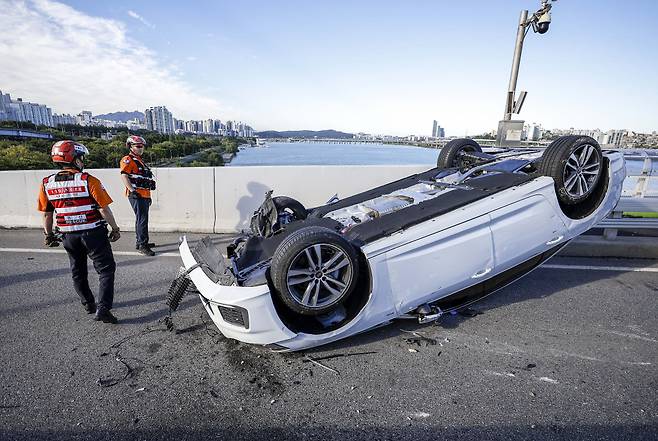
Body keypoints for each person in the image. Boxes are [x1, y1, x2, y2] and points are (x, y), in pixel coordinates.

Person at [38, 140, 121, 324]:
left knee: (78, 271)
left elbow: (47, 213)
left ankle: (88, 304)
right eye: (81, 158)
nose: (83, 162)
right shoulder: (88, 180)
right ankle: (104, 308)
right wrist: (115, 229)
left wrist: (48, 234)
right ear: (74, 159)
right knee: (106, 270)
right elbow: (103, 209)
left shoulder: (47, 183)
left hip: (68, 236)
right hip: (93, 233)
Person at [120, 135, 157, 256]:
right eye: (138, 146)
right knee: (142, 220)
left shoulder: (139, 160)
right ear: (130, 147)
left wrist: (148, 196)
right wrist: (132, 190)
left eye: (142, 147)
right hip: (137, 195)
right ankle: (142, 245)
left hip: (144, 194)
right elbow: (124, 176)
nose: (141, 149)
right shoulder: (128, 159)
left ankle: (140, 242)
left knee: (140, 219)